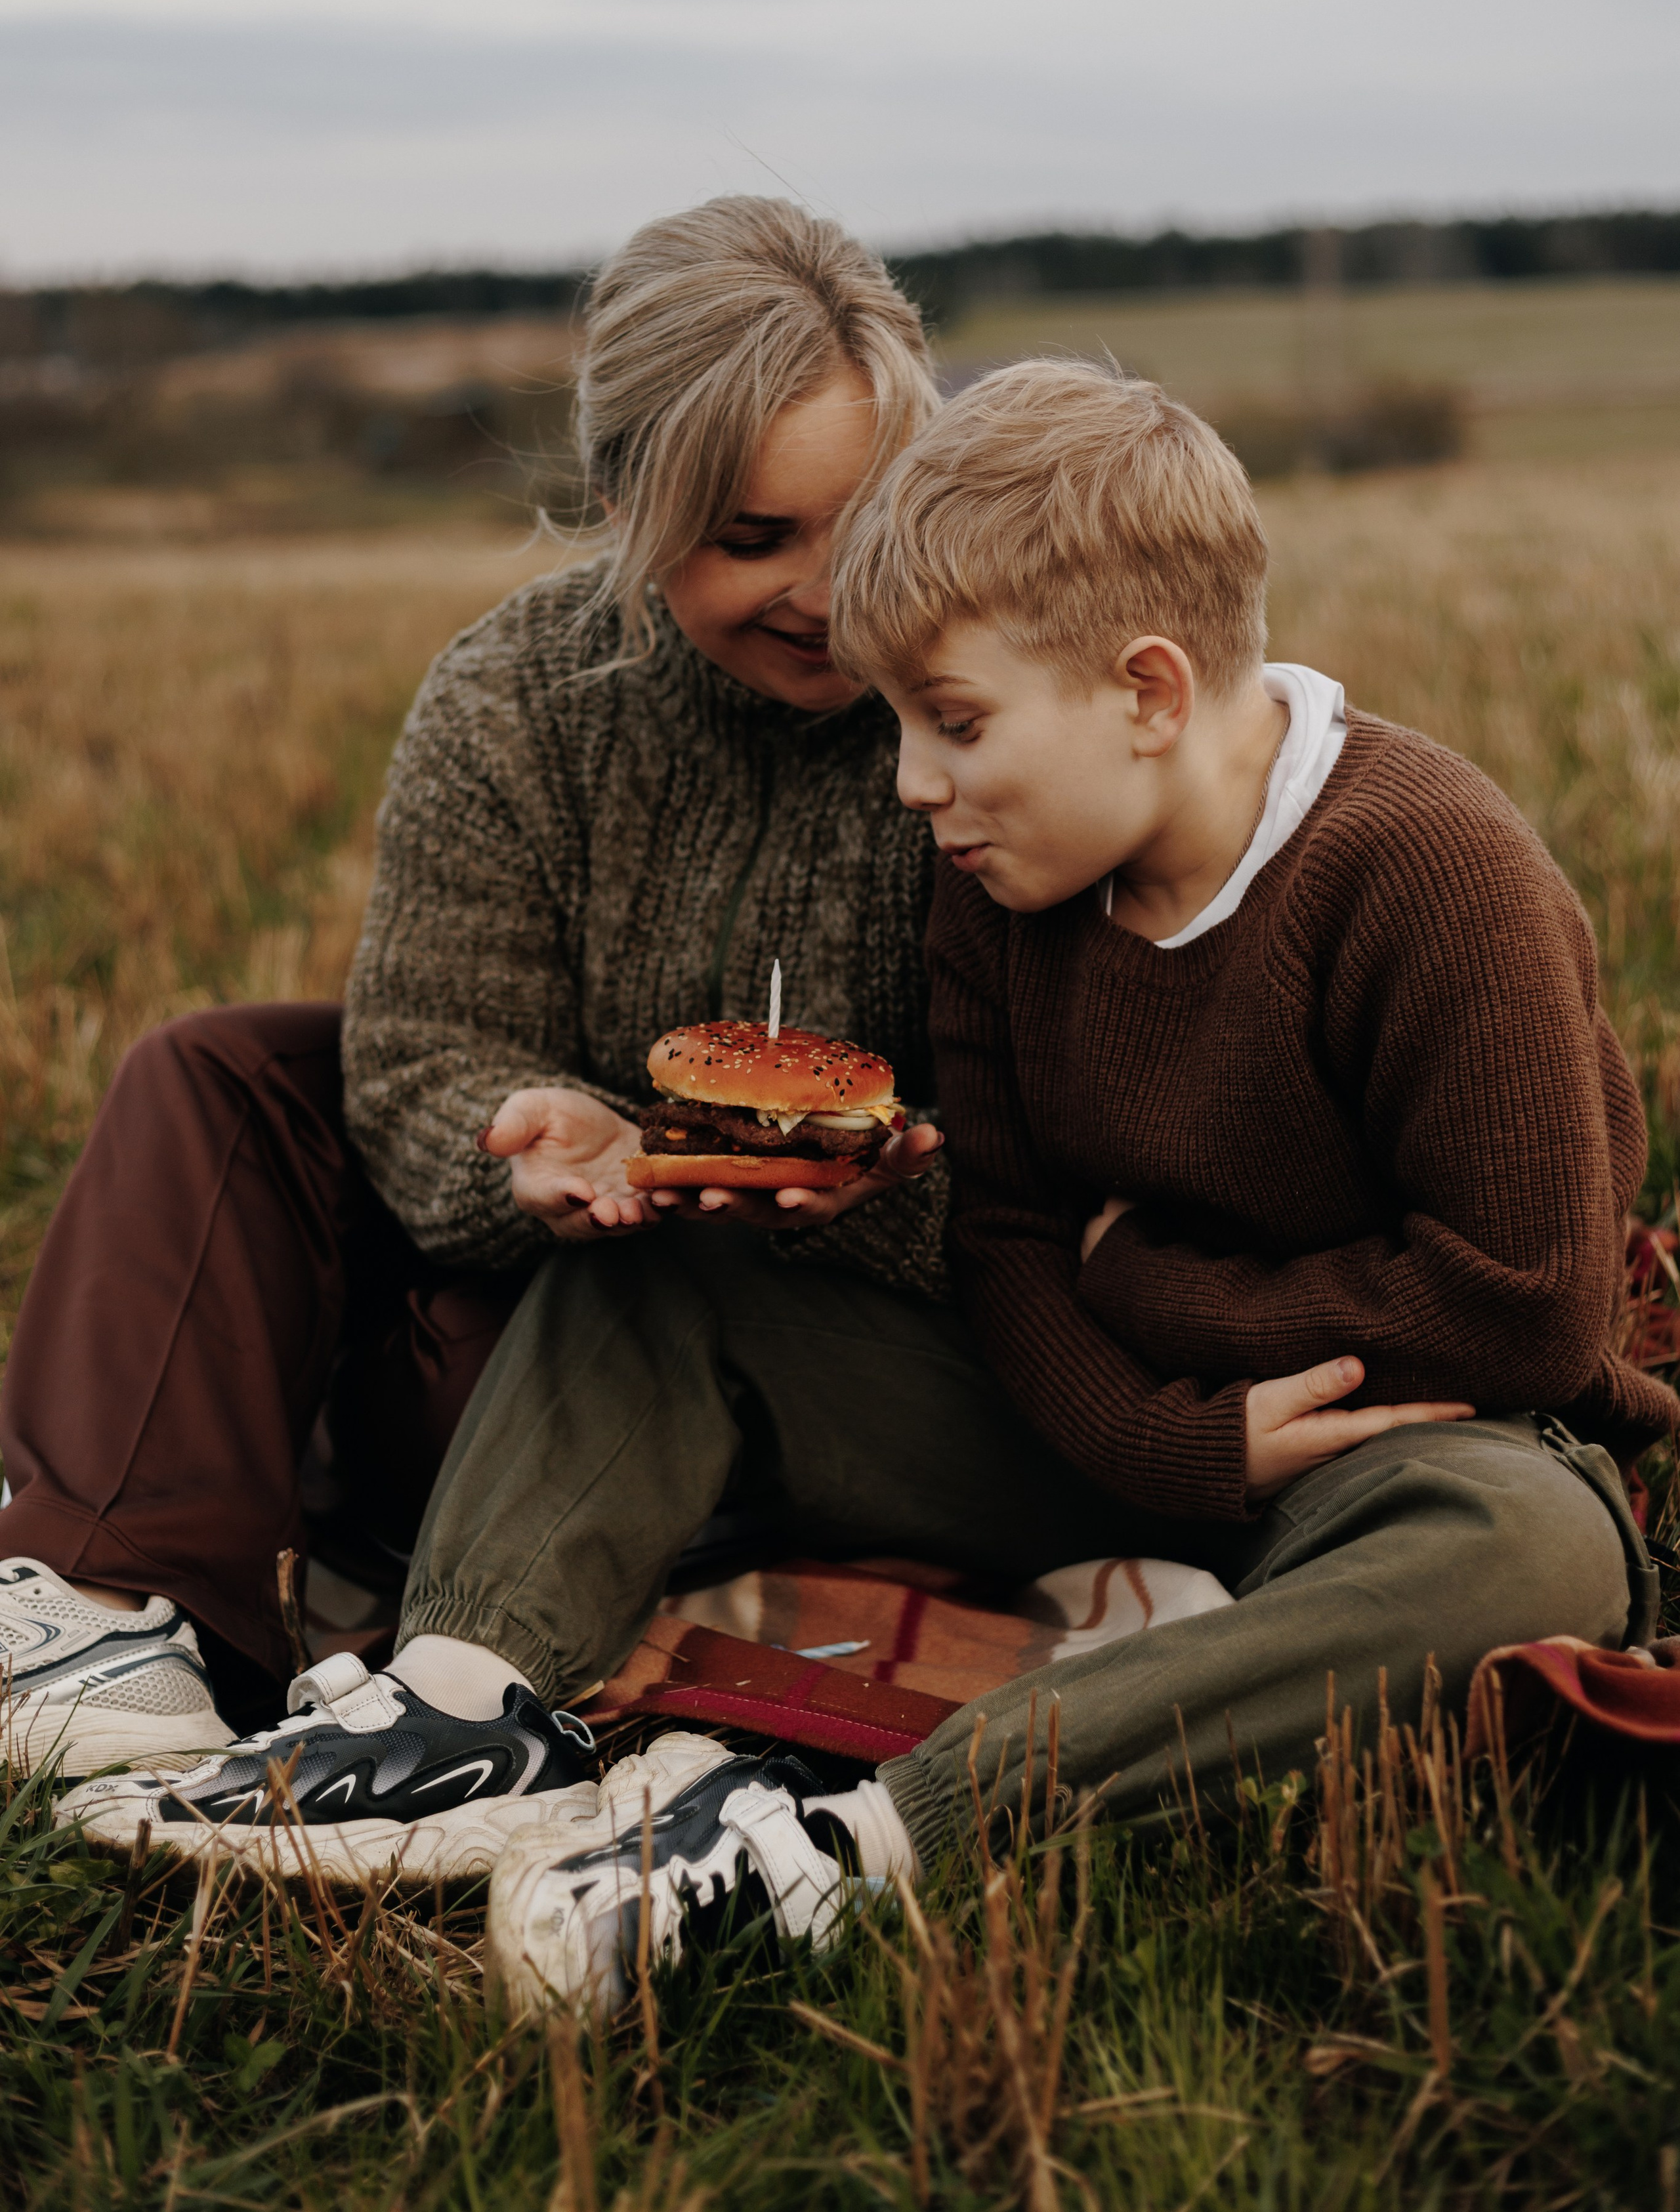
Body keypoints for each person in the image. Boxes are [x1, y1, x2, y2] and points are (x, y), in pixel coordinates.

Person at [72, 360, 1667, 1999]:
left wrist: (1153, 1301)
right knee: (690, 1251)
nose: (911, 785)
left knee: (1537, 1549)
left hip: (1379, 1449)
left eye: (954, 726)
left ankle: (851, 1846)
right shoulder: (997, 887)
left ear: (1147, 689)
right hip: (1083, 1421)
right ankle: (468, 1703)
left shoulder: (1429, 870)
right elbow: (1012, 1248)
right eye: (900, 725)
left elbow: (1529, 1313)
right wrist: (1155, 1425)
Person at [1, 196, 951, 1787]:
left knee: (508, 1364)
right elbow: (424, 1045)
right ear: (619, 504)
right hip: (524, 1284)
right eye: (751, 539)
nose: (826, 589)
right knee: (215, 1070)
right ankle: (123, 1610)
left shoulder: (987, 695)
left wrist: (876, 1183)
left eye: (867, 521)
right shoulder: (515, 694)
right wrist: (511, 1130)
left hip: (815, 1364)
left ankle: (335, 1552)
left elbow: (1079, 1099)